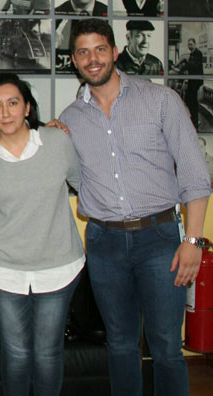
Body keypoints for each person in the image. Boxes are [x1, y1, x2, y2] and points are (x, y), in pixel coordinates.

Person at [59, 18, 211, 396]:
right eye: (82, 52)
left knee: (165, 349)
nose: (92, 59)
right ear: (74, 61)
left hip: (160, 239)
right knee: (121, 345)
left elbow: (195, 173)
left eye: (99, 49)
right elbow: (78, 181)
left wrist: (193, 240)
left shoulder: (160, 100)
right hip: (104, 242)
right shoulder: (69, 120)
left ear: (114, 51)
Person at [0, 72, 84, 396]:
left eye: (13, 103)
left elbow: (84, 186)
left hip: (58, 266)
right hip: (4, 269)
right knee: (16, 353)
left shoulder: (57, 142)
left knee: (48, 352)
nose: (6, 112)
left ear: (27, 107)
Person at [172, 38, 203, 127]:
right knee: (189, 100)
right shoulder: (192, 54)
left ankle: (195, 121)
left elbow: (191, 65)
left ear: (195, 44)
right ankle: (193, 119)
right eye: (188, 45)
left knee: (193, 102)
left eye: (191, 44)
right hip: (192, 82)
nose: (189, 46)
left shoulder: (198, 53)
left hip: (196, 83)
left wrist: (181, 69)